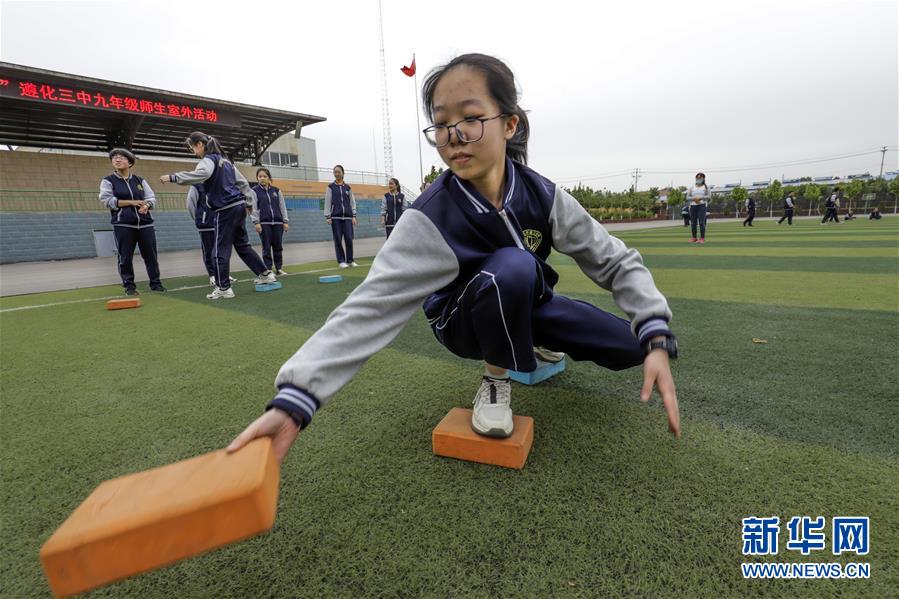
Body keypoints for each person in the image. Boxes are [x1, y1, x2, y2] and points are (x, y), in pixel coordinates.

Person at [228, 52, 680, 464]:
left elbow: (615, 260)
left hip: (525, 300)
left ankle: (532, 337)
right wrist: (295, 400)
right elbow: (370, 306)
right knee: (515, 265)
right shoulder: (430, 216)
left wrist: (654, 334)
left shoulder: (543, 196)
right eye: (442, 124)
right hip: (459, 321)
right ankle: (495, 382)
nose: (454, 136)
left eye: (470, 117)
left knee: (630, 346)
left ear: (510, 124)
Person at [159, 132, 276, 299]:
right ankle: (265, 274)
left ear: (199, 144)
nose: (193, 152)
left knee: (219, 249)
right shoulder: (226, 161)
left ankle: (223, 287)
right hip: (238, 206)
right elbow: (243, 183)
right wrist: (249, 202)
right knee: (242, 245)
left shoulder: (207, 161)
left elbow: (202, 174)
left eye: (192, 147)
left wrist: (174, 177)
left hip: (225, 209)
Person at [98, 148, 166, 295]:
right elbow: (107, 200)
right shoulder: (108, 181)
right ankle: (129, 286)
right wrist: (132, 202)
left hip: (145, 224)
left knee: (151, 255)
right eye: (114, 157)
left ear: (130, 162)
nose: (117, 159)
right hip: (123, 224)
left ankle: (156, 283)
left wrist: (147, 205)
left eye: (121, 157)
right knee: (125, 256)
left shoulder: (140, 180)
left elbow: (151, 198)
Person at [251, 168, 289, 276]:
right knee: (266, 248)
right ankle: (268, 269)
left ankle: (279, 268)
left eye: (264, 176)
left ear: (269, 178)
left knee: (278, 247)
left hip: (278, 224)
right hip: (264, 224)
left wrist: (285, 221)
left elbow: (282, 207)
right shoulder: (254, 191)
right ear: (257, 178)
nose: (262, 178)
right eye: (260, 176)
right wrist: (256, 222)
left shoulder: (277, 191)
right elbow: (253, 208)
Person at [325, 165, 357, 268]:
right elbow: (328, 202)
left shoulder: (348, 188)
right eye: (335, 172)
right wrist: (328, 216)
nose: (336, 174)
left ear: (343, 173)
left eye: (338, 172)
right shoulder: (331, 187)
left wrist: (354, 215)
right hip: (336, 218)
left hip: (348, 218)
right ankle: (341, 261)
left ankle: (350, 260)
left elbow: (352, 202)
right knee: (338, 239)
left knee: (349, 238)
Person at [687, 172, 710, 243]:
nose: (698, 179)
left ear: (703, 179)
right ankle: (694, 238)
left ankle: (702, 238)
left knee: (701, 222)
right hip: (693, 206)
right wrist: (694, 199)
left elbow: (709, 196)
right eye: (697, 178)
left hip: (702, 206)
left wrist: (700, 198)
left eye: (700, 178)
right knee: (693, 222)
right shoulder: (691, 188)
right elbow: (687, 197)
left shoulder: (706, 187)